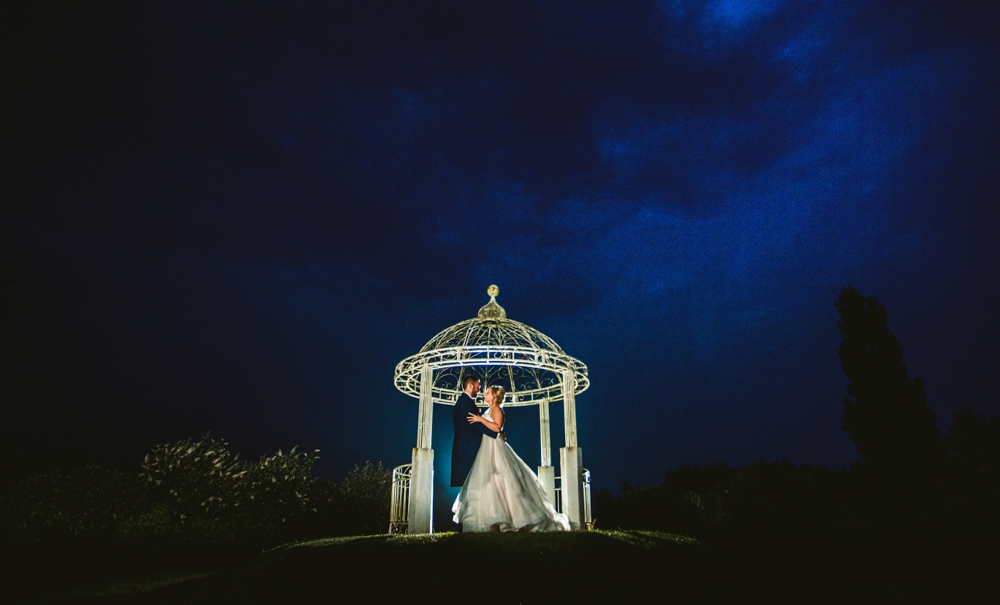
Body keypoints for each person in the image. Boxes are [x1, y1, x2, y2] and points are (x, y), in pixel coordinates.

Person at [452, 385, 571, 532]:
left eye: (488, 393)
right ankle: (491, 519)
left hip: (495, 448)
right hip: (486, 447)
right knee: (488, 482)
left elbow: (496, 428)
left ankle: (513, 519)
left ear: (494, 396)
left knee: (503, 479)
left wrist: (480, 420)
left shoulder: (497, 410)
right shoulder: (490, 410)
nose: (485, 394)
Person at [451, 375, 500, 489]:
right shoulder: (465, 402)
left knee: (472, 484)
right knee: (471, 483)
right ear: (470, 386)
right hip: (467, 448)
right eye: (478, 386)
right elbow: (477, 424)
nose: (479, 390)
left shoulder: (466, 401)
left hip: (468, 447)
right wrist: (497, 435)